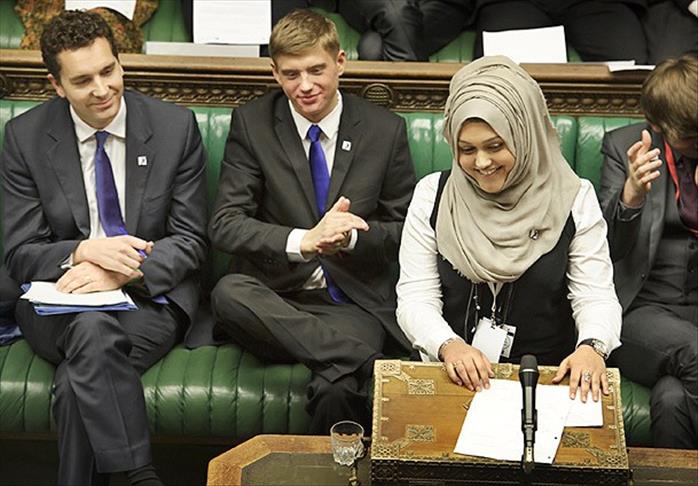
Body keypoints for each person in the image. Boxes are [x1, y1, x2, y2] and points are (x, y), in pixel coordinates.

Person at [1, 10, 208, 485]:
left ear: (120, 61)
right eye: (82, 80)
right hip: (60, 301)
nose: (102, 89)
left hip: (150, 297)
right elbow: (19, 250)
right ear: (57, 85)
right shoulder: (25, 137)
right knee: (91, 331)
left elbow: (191, 239)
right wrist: (84, 252)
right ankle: (139, 474)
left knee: (79, 381)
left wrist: (125, 270)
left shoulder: (174, 128)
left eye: (108, 70)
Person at [208, 9, 415, 434]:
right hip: (272, 301)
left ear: (340, 61)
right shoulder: (252, 124)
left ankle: (347, 365)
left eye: (316, 70)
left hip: (349, 304)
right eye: (290, 74)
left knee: (337, 390)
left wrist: (353, 239)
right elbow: (226, 224)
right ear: (274, 72)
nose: (304, 86)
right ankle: (368, 365)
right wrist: (302, 241)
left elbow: (405, 231)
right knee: (228, 292)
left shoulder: (384, 130)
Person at [396, 56, 621, 402]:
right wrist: (448, 345)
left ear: (524, 134)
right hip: (451, 373)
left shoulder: (576, 197)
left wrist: (592, 346)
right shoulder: (432, 195)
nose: (481, 163)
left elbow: (595, 295)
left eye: (495, 146)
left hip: (545, 377)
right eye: (466, 150)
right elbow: (416, 297)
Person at [599, 54, 697, 448]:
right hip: (643, 309)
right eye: (690, 136)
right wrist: (632, 196)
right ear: (657, 126)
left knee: (673, 399)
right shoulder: (625, 146)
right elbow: (605, 249)